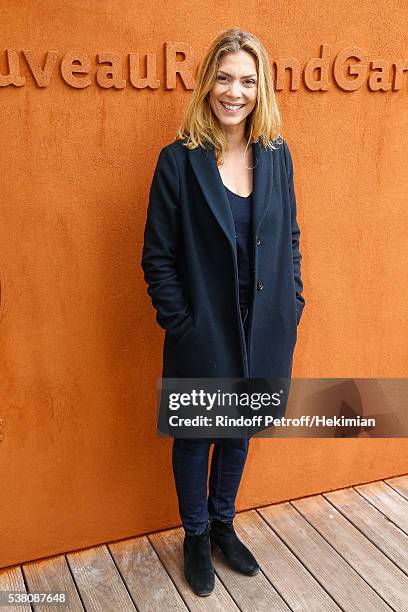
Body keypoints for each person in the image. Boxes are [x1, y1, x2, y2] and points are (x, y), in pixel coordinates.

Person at [141, 28, 305, 597]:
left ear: (262, 90)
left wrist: (295, 301)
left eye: (248, 80)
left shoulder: (277, 155)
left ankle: (223, 524)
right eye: (225, 77)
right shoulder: (178, 162)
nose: (235, 92)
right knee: (196, 437)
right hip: (203, 329)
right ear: (208, 81)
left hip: (264, 328)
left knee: (239, 434)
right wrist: (181, 324)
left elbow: (289, 239)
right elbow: (157, 256)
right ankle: (194, 534)